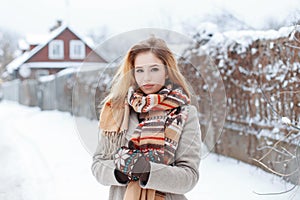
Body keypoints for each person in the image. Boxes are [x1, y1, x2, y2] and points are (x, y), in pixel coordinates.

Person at [92, 36, 201, 200]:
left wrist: (148, 171)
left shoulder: (185, 113)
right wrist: (120, 172)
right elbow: (98, 164)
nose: (146, 77)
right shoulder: (117, 110)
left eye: (154, 69)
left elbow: (189, 177)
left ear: (166, 71)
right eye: (140, 70)